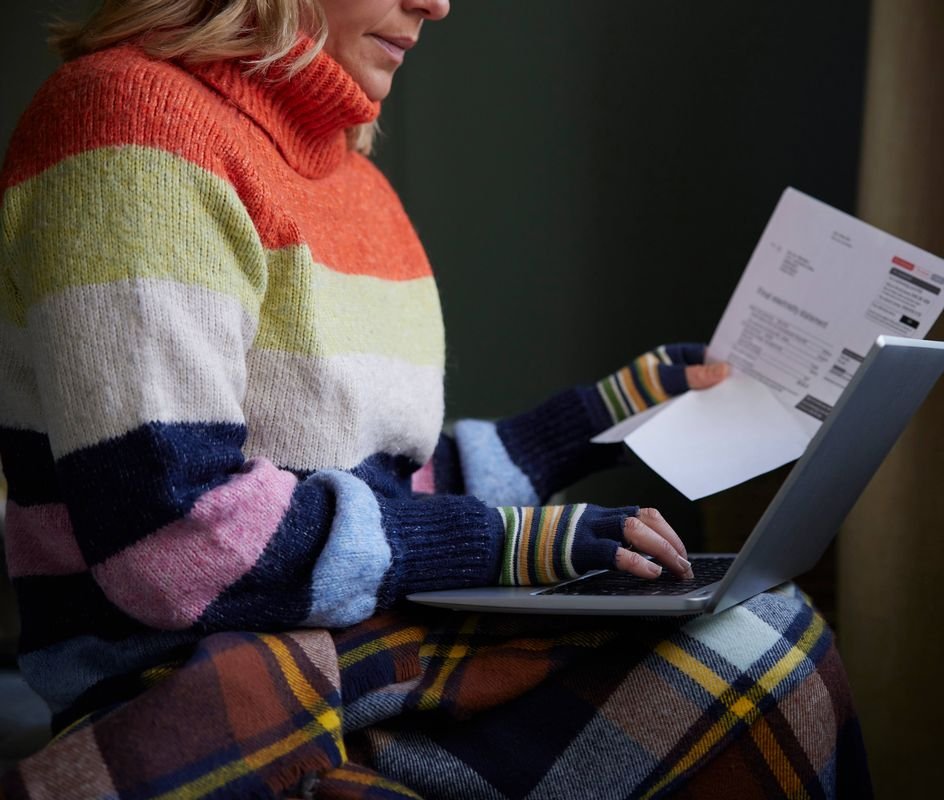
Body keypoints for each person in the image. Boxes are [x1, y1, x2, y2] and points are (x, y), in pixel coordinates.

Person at [0, 1, 871, 797]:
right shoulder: (125, 126)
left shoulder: (357, 186)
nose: (437, 3)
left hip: (357, 636)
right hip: (200, 673)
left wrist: (608, 415)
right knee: (754, 660)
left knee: (763, 625)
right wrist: (512, 546)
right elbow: (179, 536)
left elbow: (379, 500)